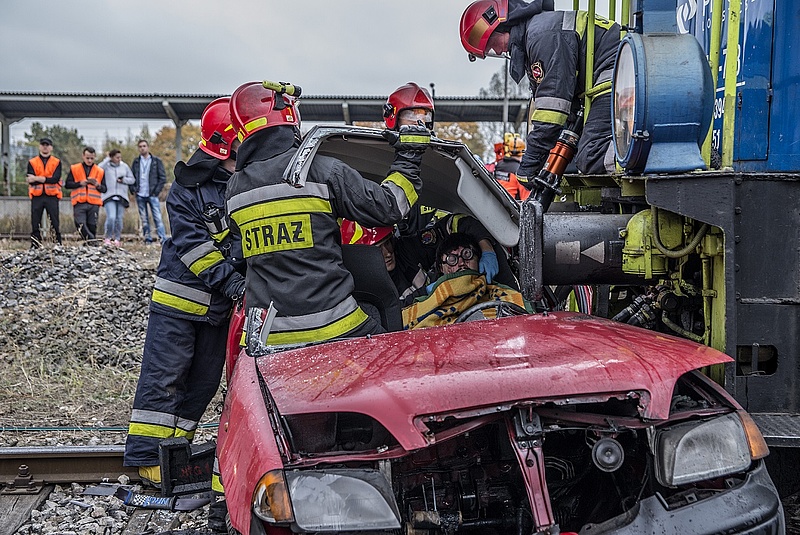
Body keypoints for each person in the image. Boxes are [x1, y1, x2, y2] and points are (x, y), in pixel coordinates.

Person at [225, 80, 429, 352]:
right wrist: (410, 157)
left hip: (269, 338)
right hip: (336, 328)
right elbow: (389, 207)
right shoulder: (322, 171)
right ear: (288, 115)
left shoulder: (234, 190)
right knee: (396, 357)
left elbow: (239, 253)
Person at [124, 98, 244, 515]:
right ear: (224, 148)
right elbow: (196, 251)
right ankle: (147, 460)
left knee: (204, 384)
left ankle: (176, 456)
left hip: (217, 310)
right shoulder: (187, 190)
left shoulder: (246, 182)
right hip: (180, 305)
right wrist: (236, 285)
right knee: (164, 379)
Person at [459, 0, 621, 181]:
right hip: (611, 72)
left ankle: (639, 158)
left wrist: (528, 166)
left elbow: (551, 112)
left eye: (492, 43)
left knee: (591, 155)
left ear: (503, 24)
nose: (496, 51)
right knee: (572, 160)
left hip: (618, 72)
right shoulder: (534, 35)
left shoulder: (542, 36)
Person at [341, 214, 501, 304]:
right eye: (377, 249)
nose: (388, 253)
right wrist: (433, 291)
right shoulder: (357, 290)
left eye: (388, 242)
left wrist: (487, 249)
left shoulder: (405, 250)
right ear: (358, 255)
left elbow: (455, 223)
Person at [402, 233, 530, 329]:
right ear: (441, 268)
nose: (462, 263)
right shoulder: (423, 300)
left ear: (478, 259)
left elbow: (529, 323)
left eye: (467, 255)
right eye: (452, 259)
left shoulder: (504, 294)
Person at [26, 137, 63, 247]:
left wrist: (37, 178)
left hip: (52, 196)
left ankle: (57, 243)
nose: (45, 147)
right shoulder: (32, 162)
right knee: (35, 221)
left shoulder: (56, 162)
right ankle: (35, 244)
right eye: (43, 144)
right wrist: (46, 179)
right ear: (40, 146)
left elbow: (55, 179)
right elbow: (30, 180)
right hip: (37, 196)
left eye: (47, 145)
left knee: (54, 221)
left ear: (51, 147)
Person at [64, 146, 106, 243]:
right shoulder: (75, 168)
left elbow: (104, 189)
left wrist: (97, 185)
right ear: (83, 156)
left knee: (92, 225)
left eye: (92, 158)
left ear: (94, 157)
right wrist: (79, 183)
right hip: (79, 202)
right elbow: (67, 184)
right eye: (87, 158)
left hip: (94, 203)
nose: (89, 160)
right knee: (80, 224)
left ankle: (90, 246)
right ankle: (93, 241)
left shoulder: (100, 171)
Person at [131, 139, 167, 245]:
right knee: (144, 219)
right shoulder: (136, 162)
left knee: (158, 217)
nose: (142, 148)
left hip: (152, 194)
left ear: (148, 147)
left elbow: (162, 178)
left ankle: (163, 239)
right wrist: (133, 189)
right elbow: (132, 176)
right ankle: (148, 239)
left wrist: (156, 191)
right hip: (140, 194)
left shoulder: (156, 161)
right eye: (140, 146)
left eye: (144, 146)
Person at [100, 149, 135, 246]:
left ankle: (117, 238)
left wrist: (123, 180)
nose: (119, 159)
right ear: (112, 157)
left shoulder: (124, 166)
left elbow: (132, 180)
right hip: (109, 195)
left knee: (119, 218)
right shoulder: (106, 166)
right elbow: (98, 169)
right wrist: (107, 159)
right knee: (111, 217)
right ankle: (107, 237)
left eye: (120, 157)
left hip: (121, 196)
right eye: (117, 157)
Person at [493, 133, 530, 201]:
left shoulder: (498, 166)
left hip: (497, 202)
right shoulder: (520, 170)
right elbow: (525, 197)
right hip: (512, 206)